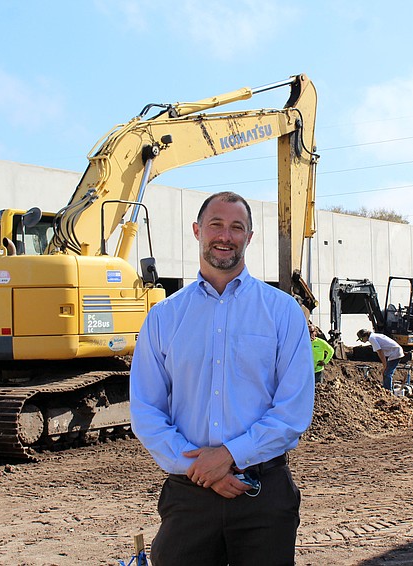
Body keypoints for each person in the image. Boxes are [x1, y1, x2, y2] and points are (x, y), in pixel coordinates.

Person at [130, 191, 315, 566]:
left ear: (249, 237)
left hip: (263, 497)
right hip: (189, 498)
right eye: (216, 225)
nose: (225, 236)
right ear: (197, 231)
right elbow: (146, 409)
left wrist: (231, 455)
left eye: (236, 227)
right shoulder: (164, 316)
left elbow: (293, 410)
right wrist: (201, 469)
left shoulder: (282, 312)